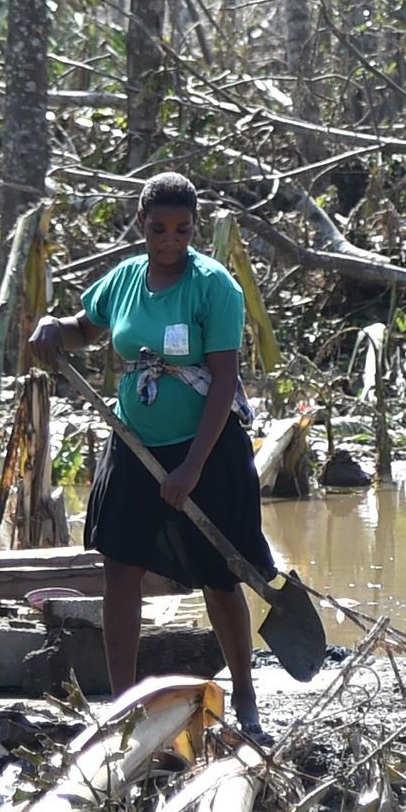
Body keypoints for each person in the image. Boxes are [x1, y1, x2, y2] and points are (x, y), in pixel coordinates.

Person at [26, 170, 270, 739]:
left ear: (194, 228)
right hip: (135, 443)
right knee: (121, 570)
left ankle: (246, 695)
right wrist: (52, 326)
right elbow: (86, 328)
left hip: (205, 449)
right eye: (158, 228)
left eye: (182, 229)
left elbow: (223, 378)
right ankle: (122, 701)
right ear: (141, 224)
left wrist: (192, 468)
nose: (169, 240)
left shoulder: (214, 287)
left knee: (222, 573)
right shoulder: (126, 280)